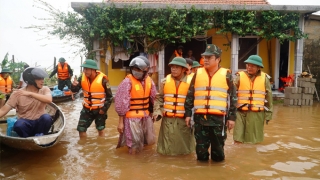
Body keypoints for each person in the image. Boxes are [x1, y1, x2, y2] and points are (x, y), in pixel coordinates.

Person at [184, 44, 237, 162]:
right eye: (204, 57)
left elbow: (233, 98)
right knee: (201, 153)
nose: (205, 60)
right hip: (200, 119)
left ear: (218, 59)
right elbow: (190, 95)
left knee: (218, 153)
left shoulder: (227, 75)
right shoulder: (197, 73)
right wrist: (188, 114)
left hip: (218, 120)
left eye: (209, 57)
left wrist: (232, 118)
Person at [115, 56, 157, 154]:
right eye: (134, 69)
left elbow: (154, 98)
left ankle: (143, 165)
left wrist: (154, 112)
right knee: (134, 145)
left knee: (148, 143)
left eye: (138, 69)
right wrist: (121, 122)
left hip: (146, 117)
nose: (135, 71)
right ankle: (132, 165)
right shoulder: (127, 82)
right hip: (132, 119)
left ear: (145, 70)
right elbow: (121, 102)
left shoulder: (149, 81)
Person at [153, 57, 195, 155]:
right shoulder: (164, 82)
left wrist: (193, 118)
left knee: (185, 151)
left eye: (176, 67)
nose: (173, 69)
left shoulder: (191, 83)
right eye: (172, 67)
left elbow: (195, 102)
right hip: (167, 121)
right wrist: (157, 112)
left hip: (184, 121)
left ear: (184, 69)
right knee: (165, 151)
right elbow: (159, 99)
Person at [0, 67, 53, 137]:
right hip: (26, 123)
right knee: (18, 125)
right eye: (39, 79)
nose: (42, 81)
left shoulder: (45, 89)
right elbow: (3, 110)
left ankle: (41, 135)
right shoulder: (17, 94)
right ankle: (27, 139)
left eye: (43, 78)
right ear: (30, 80)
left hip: (40, 123)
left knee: (47, 118)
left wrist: (30, 94)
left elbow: (49, 99)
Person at [233, 55, 273, 144]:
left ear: (258, 67)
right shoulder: (239, 76)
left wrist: (269, 114)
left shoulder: (265, 78)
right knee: (237, 138)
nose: (249, 67)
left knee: (251, 141)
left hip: (256, 114)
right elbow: (232, 92)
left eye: (252, 66)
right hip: (240, 112)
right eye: (248, 65)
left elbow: (269, 97)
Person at [71, 59, 113, 138]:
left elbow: (110, 97)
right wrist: (73, 85)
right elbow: (75, 90)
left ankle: (101, 146)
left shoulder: (104, 80)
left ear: (93, 69)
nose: (84, 71)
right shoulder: (82, 78)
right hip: (86, 109)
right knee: (81, 129)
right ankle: (84, 148)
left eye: (86, 69)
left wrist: (103, 109)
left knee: (100, 129)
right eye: (84, 69)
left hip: (99, 110)